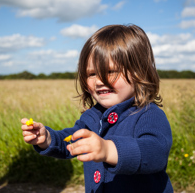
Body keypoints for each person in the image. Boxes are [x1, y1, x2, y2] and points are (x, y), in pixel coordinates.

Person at [21, 24, 173, 193]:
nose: (99, 81)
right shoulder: (93, 117)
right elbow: (72, 140)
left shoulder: (148, 114)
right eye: (92, 74)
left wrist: (108, 149)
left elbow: (155, 153)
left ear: (139, 73)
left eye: (110, 71)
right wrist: (48, 138)